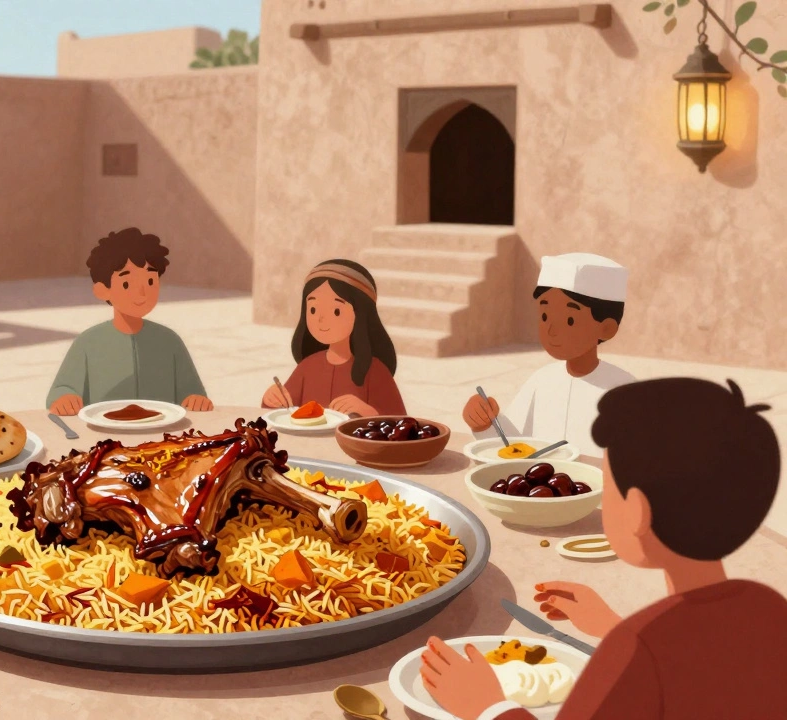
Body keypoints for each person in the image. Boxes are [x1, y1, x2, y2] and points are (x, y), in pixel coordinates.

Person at [421, 377, 787, 719]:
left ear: (638, 512)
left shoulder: (635, 650)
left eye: (610, 489)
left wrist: (488, 706)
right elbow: (704, 673)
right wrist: (616, 627)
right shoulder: (768, 603)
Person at [462, 253, 634, 458]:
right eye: (545, 316)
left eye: (570, 320)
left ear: (606, 328)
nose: (551, 330)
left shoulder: (626, 394)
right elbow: (513, 444)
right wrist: (485, 422)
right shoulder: (542, 380)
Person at [47, 228, 213, 415]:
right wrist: (65, 398)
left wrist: (195, 399)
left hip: (162, 433)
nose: (141, 293)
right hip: (103, 434)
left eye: (150, 281)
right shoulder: (88, 343)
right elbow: (62, 390)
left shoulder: (170, 341)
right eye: (127, 284)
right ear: (102, 290)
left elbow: (192, 392)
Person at [260, 259, 405, 415]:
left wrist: (368, 412)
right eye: (313, 309)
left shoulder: (375, 371)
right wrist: (272, 399)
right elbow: (284, 409)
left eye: (336, 311)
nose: (321, 319)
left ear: (360, 313)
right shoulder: (307, 367)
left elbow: (400, 423)